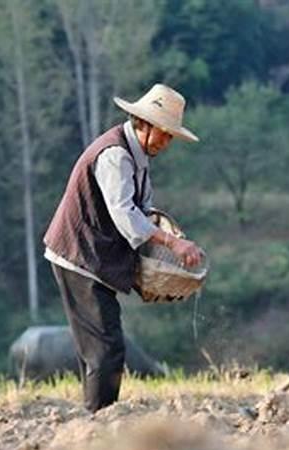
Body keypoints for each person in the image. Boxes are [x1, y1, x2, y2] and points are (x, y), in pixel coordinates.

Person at [43, 83, 202, 412]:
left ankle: (95, 415)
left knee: (102, 347)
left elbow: (145, 209)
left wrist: (168, 244)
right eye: (164, 133)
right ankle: (98, 420)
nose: (167, 141)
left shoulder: (138, 155)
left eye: (171, 135)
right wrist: (171, 242)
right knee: (106, 347)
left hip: (95, 257)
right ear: (143, 124)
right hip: (79, 256)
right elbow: (125, 215)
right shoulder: (115, 155)